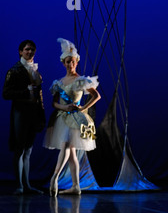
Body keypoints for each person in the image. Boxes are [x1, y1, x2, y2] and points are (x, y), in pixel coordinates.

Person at [43, 38, 101, 196]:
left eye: (73, 61)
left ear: (76, 62)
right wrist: (64, 107)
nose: (71, 64)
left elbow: (96, 96)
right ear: (64, 63)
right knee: (71, 151)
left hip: (75, 120)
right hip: (62, 118)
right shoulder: (59, 82)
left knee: (67, 146)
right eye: (68, 62)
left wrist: (83, 108)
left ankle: (55, 177)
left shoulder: (81, 80)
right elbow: (54, 103)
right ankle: (76, 186)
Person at [2, 40, 45, 195]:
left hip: (33, 113)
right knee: (19, 149)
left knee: (28, 150)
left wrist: (41, 113)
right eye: (27, 50)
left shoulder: (36, 71)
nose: (29, 52)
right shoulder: (14, 70)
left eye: (32, 49)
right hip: (20, 113)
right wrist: (25, 93)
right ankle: (20, 185)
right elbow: (6, 93)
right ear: (20, 51)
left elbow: (39, 95)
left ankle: (26, 185)